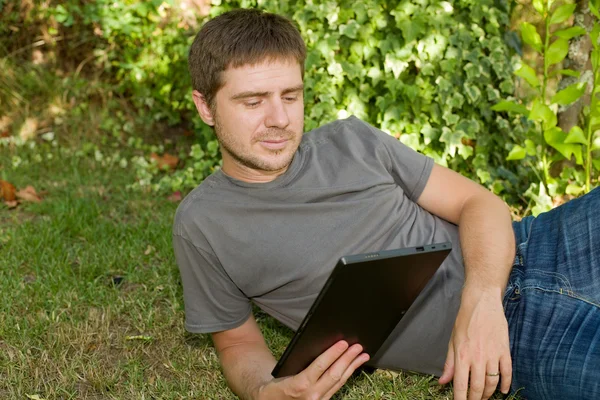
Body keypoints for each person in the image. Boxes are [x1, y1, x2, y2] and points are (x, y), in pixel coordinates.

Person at [172, 8, 600, 400]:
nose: (280, 119)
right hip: (523, 336)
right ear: (206, 106)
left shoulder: (350, 140)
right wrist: (268, 392)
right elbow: (237, 342)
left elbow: (478, 202)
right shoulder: (204, 224)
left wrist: (482, 298)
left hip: (537, 243)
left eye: (290, 96)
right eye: (253, 101)